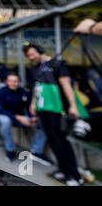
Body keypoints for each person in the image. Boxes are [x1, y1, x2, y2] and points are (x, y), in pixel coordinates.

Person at [23, 43, 83, 186]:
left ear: (40, 51)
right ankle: (63, 170)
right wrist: (33, 104)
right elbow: (35, 88)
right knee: (52, 140)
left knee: (62, 142)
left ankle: (75, 176)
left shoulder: (57, 64)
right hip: (44, 110)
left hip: (58, 110)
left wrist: (73, 106)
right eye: (28, 55)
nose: (31, 57)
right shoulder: (35, 69)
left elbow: (66, 85)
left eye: (32, 53)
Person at [0, 73, 51, 165]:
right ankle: (10, 150)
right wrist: (18, 117)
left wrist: (32, 117)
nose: (13, 83)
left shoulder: (24, 92)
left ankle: (36, 150)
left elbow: (29, 107)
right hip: (3, 114)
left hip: (20, 116)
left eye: (15, 81)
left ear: (19, 82)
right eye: (11, 81)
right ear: (6, 82)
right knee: (6, 121)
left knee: (43, 122)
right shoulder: (1, 91)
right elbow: (0, 109)